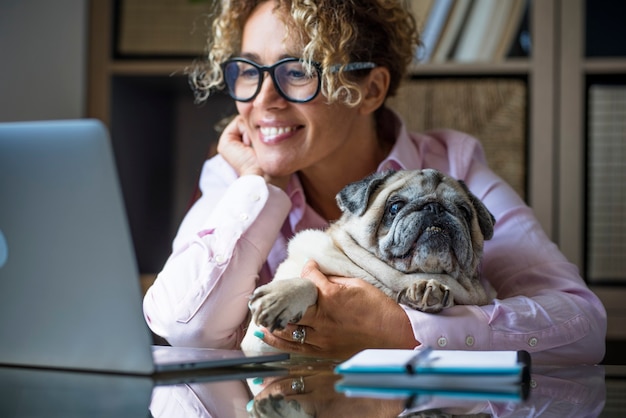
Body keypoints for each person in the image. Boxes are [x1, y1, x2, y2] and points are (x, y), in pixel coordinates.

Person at [143, 0, 606, 364]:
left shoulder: (453, 169)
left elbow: (583, 329)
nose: (264, 100)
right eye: (248, 71)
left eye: (299, 70)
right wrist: (259, 185)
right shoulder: (238, 176)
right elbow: (185, 327)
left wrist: (406, 331)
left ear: (371, 89)